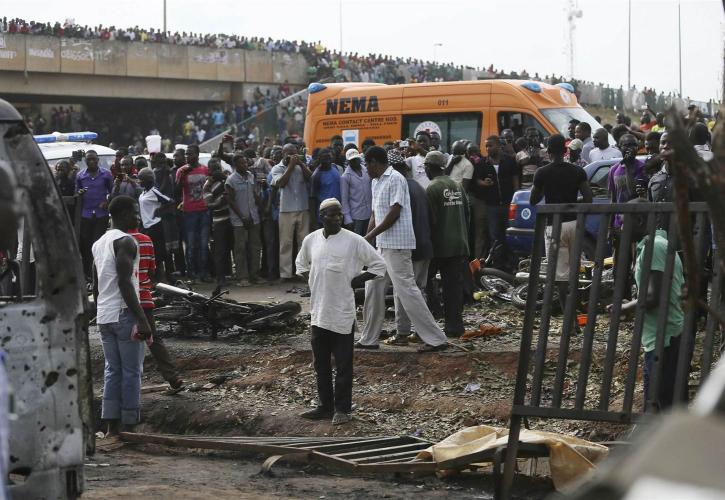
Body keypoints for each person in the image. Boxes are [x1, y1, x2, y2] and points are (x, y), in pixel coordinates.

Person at [295, 198, 385, 425]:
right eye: (331, 215)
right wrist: (315, 280)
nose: (336, 218)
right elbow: (301, 265)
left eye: (339, 215)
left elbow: (379, 266)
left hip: (342, 313)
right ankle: (325, 406)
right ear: (321, 217)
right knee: (321, 365)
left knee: (344, 365)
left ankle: (342, 409)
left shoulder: (354, 241)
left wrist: (355, 281)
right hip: (318, 313)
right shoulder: (311, 240)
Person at [358, 146, 448, 352]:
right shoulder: (375, 182)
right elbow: (375, 214)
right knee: (372, 288)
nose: (366, 169)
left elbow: (394, 212)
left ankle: (436, 339)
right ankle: (369, 339)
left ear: (374, 162)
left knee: (407, 291)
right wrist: (366, 238)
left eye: (367, 164)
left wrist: (370, 235)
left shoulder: (395, 178)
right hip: (383, 245)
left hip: (398, 245)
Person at [610, 199, 684, 411]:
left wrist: (625, 308)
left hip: (665, 338)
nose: (621, 228)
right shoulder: (656, 246)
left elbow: (654, 297)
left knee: (665, 407)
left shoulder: (654, 247)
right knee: (659, 405)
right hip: (659, 337)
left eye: (624, 222)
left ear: (640, 220)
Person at [92, 195, 152, 433]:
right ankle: (129, 425)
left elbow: (96, 284)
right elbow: (125, 282)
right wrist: (142, 318)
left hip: (105, 314)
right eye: (135, 212)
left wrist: (99, 311)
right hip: (124, 312)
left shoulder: (98, 243)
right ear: (125, 213)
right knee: (131, 370)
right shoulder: (126, 241)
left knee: (112, 369)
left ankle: (110, 425)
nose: (137, 217)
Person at [530, 135, 593, 314]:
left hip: (554, 226)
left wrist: (546, 188)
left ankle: (570, 319)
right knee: (574, 271)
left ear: (548, 152)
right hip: (574, 224)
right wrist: (572, 203)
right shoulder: (577, 171)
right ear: (565, 151)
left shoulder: (542, 173)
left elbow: (533, 200)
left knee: (560, 277)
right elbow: (588, 199)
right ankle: (577, 310)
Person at [126, 215, 184, 392]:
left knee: (124, 342)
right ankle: (173, 377)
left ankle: (127, 385)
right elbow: (152, 269)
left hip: (124, 300)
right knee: (154, 339)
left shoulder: (117, 241)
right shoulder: (146, 240)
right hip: (144, 297)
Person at [424, 151, 470, 337]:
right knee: (453, 289)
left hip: (440, 247)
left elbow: (430, 221)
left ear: (428, 167)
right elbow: (467, 215)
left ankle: (432, 315)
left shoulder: (432, 188)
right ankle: (454, 327)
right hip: (459, 245)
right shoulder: (457, 186)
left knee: (423, 281)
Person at [270, 143, 312, 281]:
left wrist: (299, 163)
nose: (292, 156)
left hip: (302, 207)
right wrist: (291, 166)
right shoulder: (277, 168)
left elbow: (310, 177)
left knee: (303, 241)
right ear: (283, 154)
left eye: (294, 153)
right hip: (286, 209)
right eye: (289, 153)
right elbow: (281, 183)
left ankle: (302, 272)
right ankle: (285, 274)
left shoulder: (301, 166)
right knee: (286, 243)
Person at [76, 150, 114, 281]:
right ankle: (88, 274)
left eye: (94, 159)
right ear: (85, 161)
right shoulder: (80, 175)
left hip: (101, 215)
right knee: (86, 245)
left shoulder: (106, 175)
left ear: (97, 160)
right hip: (85, 215)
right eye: (89, 159)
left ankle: (99, 272)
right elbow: (76, 193)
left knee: (98, 243)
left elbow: (112, 192)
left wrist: (107, 202)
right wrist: (79, 193)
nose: (91, 161)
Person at [226, 153, 263, 286]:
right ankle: (242, 277)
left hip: (254, 217)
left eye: (246, 163)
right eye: (242, 163)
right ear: (235, 165)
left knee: (255, 247)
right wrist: (242, 217)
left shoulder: (251, 176)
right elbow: (230, 200)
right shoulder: (231, 180)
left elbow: (254, 194)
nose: (245, 165)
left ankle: (254, 275)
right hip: (239, 220)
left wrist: (260, 207)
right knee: (240, 248)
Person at [477, 135, 520, 249]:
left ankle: (511, 261)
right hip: (492, 206)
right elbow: (476, 181)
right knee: (494, 235)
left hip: (508, 204)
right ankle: (496, 261)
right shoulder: (482, 163)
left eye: (490, 145)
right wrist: (484, 183)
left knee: (511, 233)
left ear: (499, 146)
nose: (487, 148)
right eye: (486, 146)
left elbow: (515, 179)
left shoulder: (509, 160)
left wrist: (515, 199)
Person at [175, 145, 210, 282]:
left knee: (203, 244)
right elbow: (176, 191)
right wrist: (182, 176)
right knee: (190, 244)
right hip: (189, 212)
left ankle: (203, 273)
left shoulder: (204, 170)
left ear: (197, 154)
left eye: (190, 154)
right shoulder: (181, 171)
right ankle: (192, 274)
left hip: (204, 210)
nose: (187, 157)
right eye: (186, 154)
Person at [137, 167, 172, 282]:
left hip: (155, 226)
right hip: (145, 226)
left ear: (147, 180)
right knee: (147, 253)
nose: (139, 181)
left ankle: (162, 280)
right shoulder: (143, 193)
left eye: (141, 179)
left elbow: (169, 201)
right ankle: (151, 279)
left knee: (157, 255)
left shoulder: (154, 191)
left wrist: (159, 211)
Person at [609, 134, 649, 230]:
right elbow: (613, 199)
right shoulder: (614, 170)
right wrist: (610, 227)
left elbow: (633, 193)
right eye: (627, 145)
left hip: (637, 221)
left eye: (634, 145)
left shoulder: (642, 168)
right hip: (619, 222)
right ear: (620, 147)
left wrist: (627, 167)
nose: (631, 148)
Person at [204, 158, 233, 289]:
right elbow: (209, 205)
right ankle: (220, 277)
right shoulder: (207, 185)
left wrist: (225, 178)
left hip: (232, 219)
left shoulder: (226, 179)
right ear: (209, 170)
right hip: (219, 221)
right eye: (213, 168)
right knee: (220, 250)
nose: (216, 171)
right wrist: (221, 200)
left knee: (231, 247)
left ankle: (229, 274)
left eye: (218, 168)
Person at [340, 148, 372, 236]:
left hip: (370, 213)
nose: (355, 162)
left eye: (356, 159)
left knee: (370, 240)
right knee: (357, 241)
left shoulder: (367, 170)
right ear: (348, 162)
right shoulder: (345, 177)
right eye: (352, 160)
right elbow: (344, 199)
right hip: (356, 216)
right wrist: (347, 218)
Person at [310, 148, 342, 220]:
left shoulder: (334, 167)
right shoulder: (316, 176)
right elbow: (312, 199)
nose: (327, 160)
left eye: (329, 157)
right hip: (326, 214)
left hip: (337, 210)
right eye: (324, 158)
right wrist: (313, 220)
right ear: (319, 159)